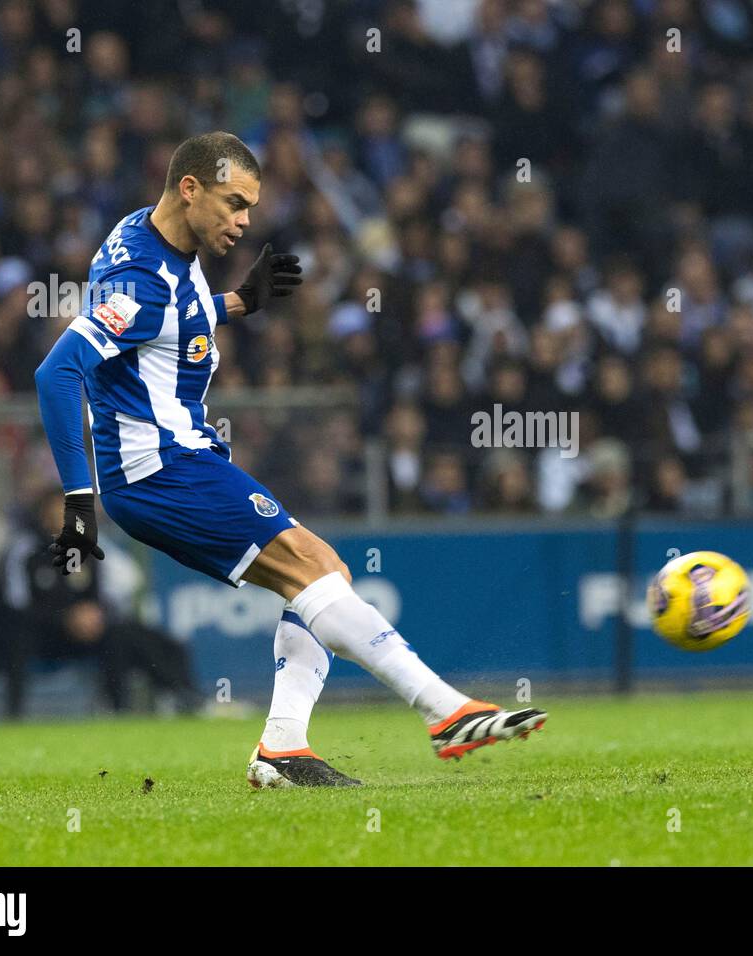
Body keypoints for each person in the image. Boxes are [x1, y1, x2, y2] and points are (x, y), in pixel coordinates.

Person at [33, 132, 546, 787]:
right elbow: (57, 374)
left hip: (176, 461)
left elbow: (157, 322)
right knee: (311, 567)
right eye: (234, 203)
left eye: (250, 206)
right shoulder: (143, 275)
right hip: (159, 470)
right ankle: (444, 711)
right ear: (189, 188)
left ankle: (283, 748)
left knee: (320, 570)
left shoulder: (146, 233)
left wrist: (236, 305)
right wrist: (79, 500)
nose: (245, 221)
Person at [0, 487, 203, 717]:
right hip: (42, 635)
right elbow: (15, 606)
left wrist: (94, 616)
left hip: (84, 634)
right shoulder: (25, 550)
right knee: (19, 636)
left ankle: (143, 705)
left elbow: (102, 597)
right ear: (44, 515)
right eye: (58, 511)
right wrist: (65, 618)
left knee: (131, 636)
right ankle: (14, 713)